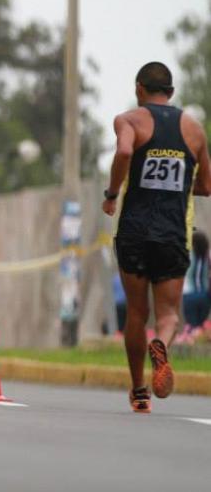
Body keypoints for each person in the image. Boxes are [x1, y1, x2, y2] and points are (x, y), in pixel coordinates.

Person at [102, 61, 211, 413]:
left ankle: (138, 391)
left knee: (136, 313)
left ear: (139, 89)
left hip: (134, 230)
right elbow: (207, 185)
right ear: (172, 92)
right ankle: (160, 343)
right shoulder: (194, 130)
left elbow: (123, 151)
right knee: (168, 316)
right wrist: (181, 185)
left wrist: (112, 193)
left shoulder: (129, 121)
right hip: (172, 232)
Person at [183, 230, 211, 330]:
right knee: (201, 326)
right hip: (205, 295)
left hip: (188, 295)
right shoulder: (208, 256)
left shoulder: (187, 255)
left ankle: (191, 344)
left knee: (191, 325)